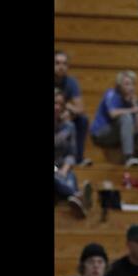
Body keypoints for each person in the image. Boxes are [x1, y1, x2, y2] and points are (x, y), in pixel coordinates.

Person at [91, 70, 138, 166]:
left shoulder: (131, 101)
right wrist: (134, 110)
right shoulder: (111, 94)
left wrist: (134, 105)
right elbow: (113, 113)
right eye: (127, 84)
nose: (130, 87)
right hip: (100, 133)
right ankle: (128, 157)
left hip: (117, 135)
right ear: (119, 85)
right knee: (126, 117)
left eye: (132, 84)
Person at [55, 89, 90, 218]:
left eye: (60, 104)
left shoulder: (69, 126)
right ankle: (77, 195)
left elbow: (71, 154)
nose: (57, 107)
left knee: (70, 176)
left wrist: (64, 169)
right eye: (55, 103)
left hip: (60, 167)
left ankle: (75, 199)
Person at [55, 49, 89, 163]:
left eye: (64, 63)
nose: (61, 67)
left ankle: (78, 159)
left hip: (62, 115)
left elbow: (80, 109)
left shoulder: (71, 82)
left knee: (83, 120)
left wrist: (66, 111)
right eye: (57, 63)